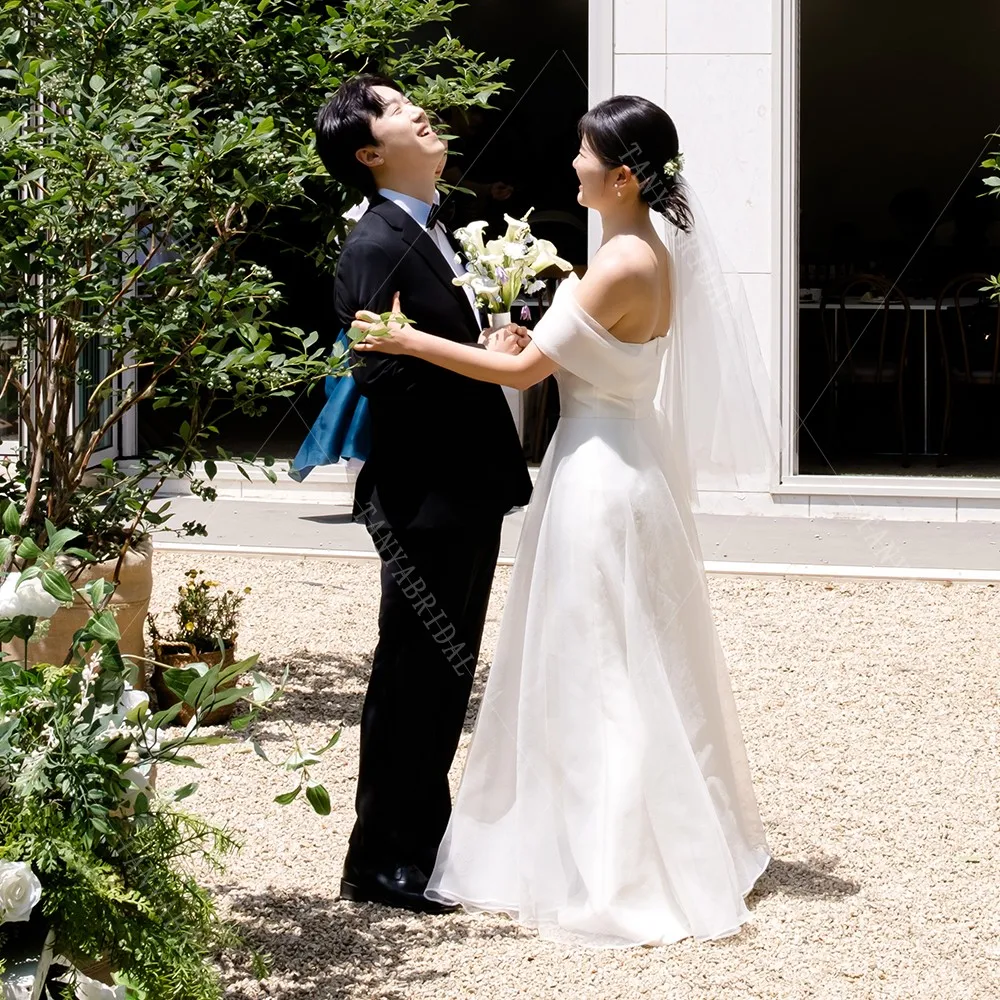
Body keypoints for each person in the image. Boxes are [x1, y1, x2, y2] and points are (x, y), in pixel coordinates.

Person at [353, 94, 773, 947]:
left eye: (583, 155)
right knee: (616, 654)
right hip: (620, 464)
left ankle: (611, 862)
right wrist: (509, 333)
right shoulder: (638, 249)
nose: (571, 164)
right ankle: (596, 837)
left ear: (621, 176)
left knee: (600, 666)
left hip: (597, 478)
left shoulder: (623, 260)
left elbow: (527, 376)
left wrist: (408, 341)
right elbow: (554, 356)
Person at [313, 74, 533, 915]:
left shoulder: (430, 230)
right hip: (422, 499)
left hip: (462, 490)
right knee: (415, 675)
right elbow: (382, 373)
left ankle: (423, 843)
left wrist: (481, 342)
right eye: (398, 108)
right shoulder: (374, 246)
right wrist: (476, 365)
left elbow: (428, 352)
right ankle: (380, 861)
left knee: (444, 677)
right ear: (370, 153)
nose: (419, 111)